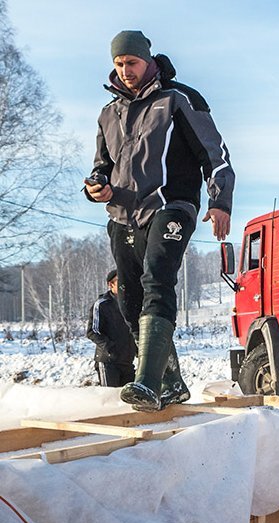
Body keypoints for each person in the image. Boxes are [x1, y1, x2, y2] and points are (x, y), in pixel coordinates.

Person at [84, 30, 234, 410]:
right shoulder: (108, 113)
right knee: (129, 298)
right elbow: (102, 167)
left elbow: (216, 158)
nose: (125, 70)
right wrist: (96, 187)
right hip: (122, 215)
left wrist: (221, 203)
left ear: (148, 60)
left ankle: (147, 382)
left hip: (172, 206)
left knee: (157, 276)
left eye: (131, 63)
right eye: (118, 64)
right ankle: (171, 382)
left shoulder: (179, 99)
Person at [86, 270, 136, 387]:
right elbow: (92, 331)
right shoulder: (102, 304)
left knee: (128, 400)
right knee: (109, 398)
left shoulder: (131, 304)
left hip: (127, 361)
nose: (124, 285)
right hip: (108, 361)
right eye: (120, 281)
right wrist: (111, 347)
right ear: (111, 284)